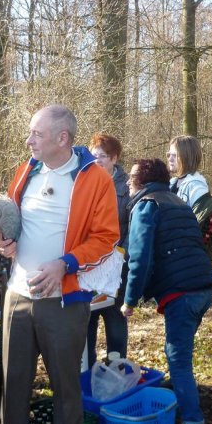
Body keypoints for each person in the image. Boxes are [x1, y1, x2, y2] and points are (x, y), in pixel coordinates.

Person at [0, 105, 120, 424]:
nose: (28, 140)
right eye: (30, 132)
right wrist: (1, 238)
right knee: (12, 385)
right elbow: (9, 218)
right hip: (17, 297)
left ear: (62, 138)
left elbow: (106, 238)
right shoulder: (25, 171)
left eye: (37, 133)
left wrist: (65, 264)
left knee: (65, 389)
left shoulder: (95, 179)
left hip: (63, 302)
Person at [121, 158, 212, 424]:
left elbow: (140, 258)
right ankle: (181, 405)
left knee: (178, 361)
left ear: (141, 180)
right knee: (179, 354)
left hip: (183, 291)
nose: (128, 182)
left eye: (131, 178)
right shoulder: (178, 202)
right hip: (203, 287)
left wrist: (130, 300)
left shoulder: (146, 205)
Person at [86, 132, 129, 367]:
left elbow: (134, 227)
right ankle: (88, 367)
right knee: (88, 317)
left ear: (114, 158)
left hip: (117, 265)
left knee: (115, 318)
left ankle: (117, 367)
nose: (97, 160)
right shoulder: (85, 182)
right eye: (94, 156)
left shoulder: (127, 187)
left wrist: (123, 257)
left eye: (102, 156)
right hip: (90, 264)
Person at [167, 135, 209, 207]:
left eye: (175, 155)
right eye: (169, 155)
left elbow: (201, 217)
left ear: (186, 157)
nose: (170, 159)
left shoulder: (196, 187)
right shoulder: (171, 184)